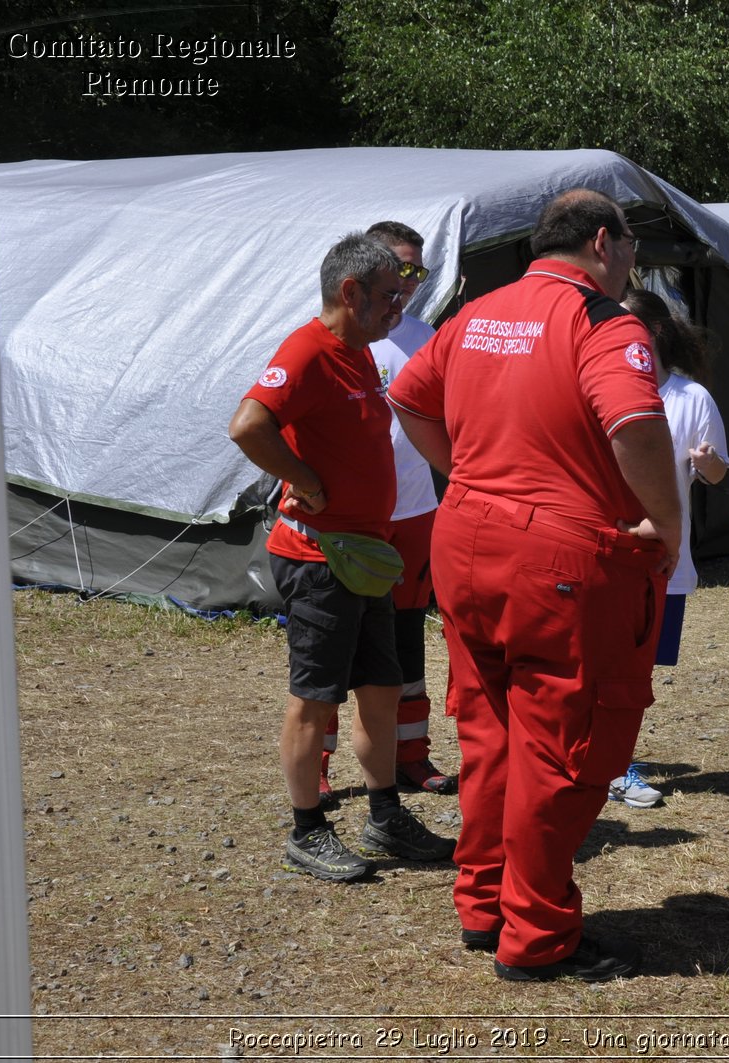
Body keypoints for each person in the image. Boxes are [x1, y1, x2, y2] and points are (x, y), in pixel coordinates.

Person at [387, 189, 683, 982]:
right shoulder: (602, 323)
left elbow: (409, 399)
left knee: (490, 736)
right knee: (564, 745)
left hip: (466, 541)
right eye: (629, 247)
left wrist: (468, 475)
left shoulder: (479, 312)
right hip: (558, 560)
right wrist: (669, 520)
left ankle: (484, 904)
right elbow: (636, 426)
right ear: (601, 242)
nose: (631, 263)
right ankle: (537, 935)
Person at [228, 232, 456, 883]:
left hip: (364, 558)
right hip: (318, 558)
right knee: (314, 697)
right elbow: (248, 423)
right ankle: (307, 831)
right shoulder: (308, 350)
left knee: (380, 689)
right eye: (388, 294)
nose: (399, 305)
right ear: (349, 292)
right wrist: (299, 476)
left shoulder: (359, 353)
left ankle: (385, 815)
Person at [303, 220, 457, 803]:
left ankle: (410, 755)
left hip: (415, 508)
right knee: (337, 639)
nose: (407, 283)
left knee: (404, 635)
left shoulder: (426, 335)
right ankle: (317, 762)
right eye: (398, 269)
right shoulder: (332, 334)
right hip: (350, 516)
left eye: (416, 271)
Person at [609, 289, 729, 810]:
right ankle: (605, 763)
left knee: (637, 671)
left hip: (665, 560)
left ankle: (615, 764)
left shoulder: (690, 398)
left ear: (652, 335)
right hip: (606, 551)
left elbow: (721, 469)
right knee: (605, 664)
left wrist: (705, 463)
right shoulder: (600, 387)